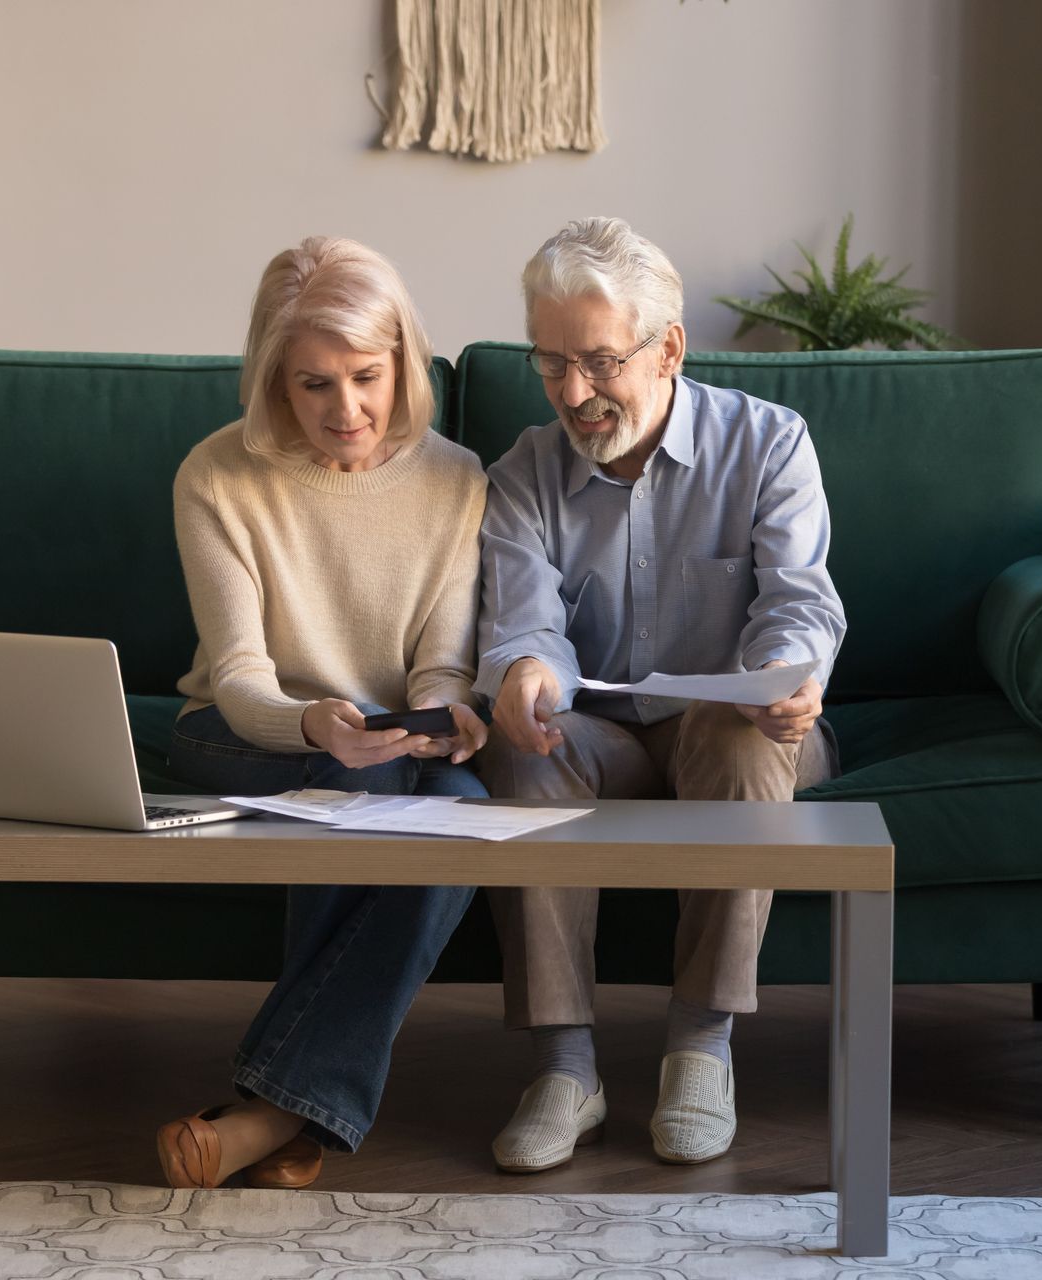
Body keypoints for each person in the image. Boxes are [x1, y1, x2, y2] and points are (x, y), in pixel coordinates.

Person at [475, 216, 847, 1172]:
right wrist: (525, 675)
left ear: (669, 348)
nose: (573, 393)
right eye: (550, 364)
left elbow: (798, 605)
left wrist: (789, 680)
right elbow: (527, 621)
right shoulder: (522, 473)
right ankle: (565, 1070)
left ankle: (701, 1047)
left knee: (738, 732)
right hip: (600, 735)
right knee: (520, 737)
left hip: (736, 731)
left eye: (598, 362)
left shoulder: (768, 444)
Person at [156, 236, 488, 1191]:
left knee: (463, 808)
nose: (347, 410)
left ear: (404, 364)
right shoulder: (216, 477)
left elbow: (443, 661)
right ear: (273, 379)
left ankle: (274, 1111)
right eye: (314, 385)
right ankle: (290, 1111)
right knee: (367, 769)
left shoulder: (457, 479)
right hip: (240, 729)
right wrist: (316, 726)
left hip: (383, 740)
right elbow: (241, 677)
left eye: (368, 378)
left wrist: (445, 713)